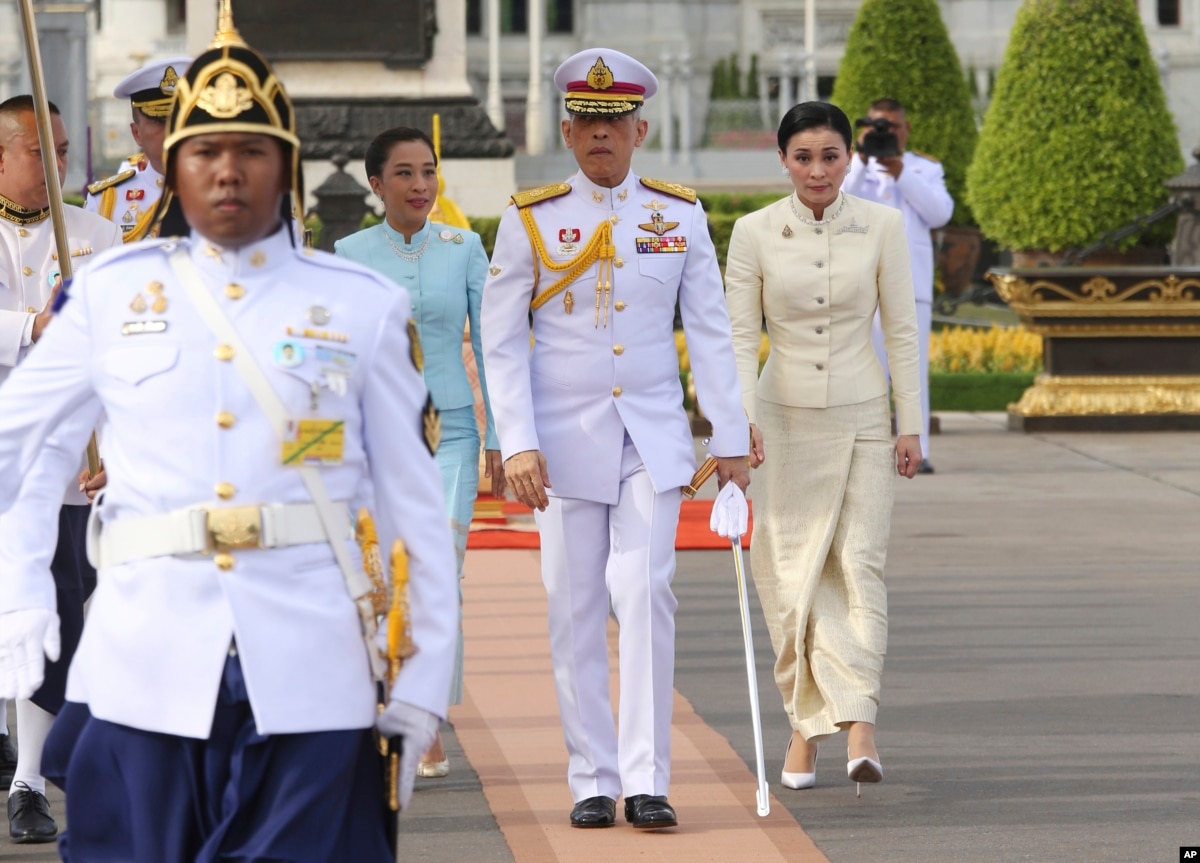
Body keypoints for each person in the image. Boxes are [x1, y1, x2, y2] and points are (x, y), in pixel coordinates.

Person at [0, 10, 458, 860]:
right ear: (173, 167)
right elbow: (19, 446)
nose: (227, 172)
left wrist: (427, 673)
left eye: (249, 150)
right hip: (147, 658)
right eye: (205, 153)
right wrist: (20, 587)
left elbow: (414, 508)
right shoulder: (111, 292)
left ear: (284, 165)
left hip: (312, 660)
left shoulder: (361, 305)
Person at [481, 48, 750, 830]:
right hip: (560, 442)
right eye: (587, 124)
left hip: (651, 435)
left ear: (640, 130)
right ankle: (591, 776)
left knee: (643, 588)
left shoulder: (680, 213)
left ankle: (647, 775)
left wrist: (727, 432)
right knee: (574, 607)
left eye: (615, 124)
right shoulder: (529, 218)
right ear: (567, 131)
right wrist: (518, 439)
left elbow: (709, 328)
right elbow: (502, 341)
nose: (602, 137)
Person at [723, 101, 922, 795]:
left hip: (865, 416)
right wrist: (737, 422)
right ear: (783, 160)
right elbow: (740, 339)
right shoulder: (751, 232)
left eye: (830, 156)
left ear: (848, 159)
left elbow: (902, 332)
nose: (817, 170)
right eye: (803, 157)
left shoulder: (884, 226)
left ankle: (860, 722)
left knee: (858, 565)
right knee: (787, 578)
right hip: (779, 423)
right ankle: (804, 727)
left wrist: (910, 424)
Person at [335, 125, 505, 778]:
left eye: (429, 171)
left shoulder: (463, 248)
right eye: (404, 173)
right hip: (378, 433)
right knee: (380, 569)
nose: (420, 185)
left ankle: (428, 713)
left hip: (453, 430)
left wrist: (497, 438)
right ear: (376, 185)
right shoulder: (349, 252)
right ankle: (384, 698)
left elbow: (489, 342)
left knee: (440, 566)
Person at [0, 94, 122, 843]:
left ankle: (28, 781)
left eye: (65, 152)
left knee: (54, 613)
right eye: (39, 151)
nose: (56, 166)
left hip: (66, 460)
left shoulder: (97, 237)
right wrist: (32, 325)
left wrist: (117, 447)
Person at [843, 98, 954, 473]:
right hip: (863, 286)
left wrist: (901, 172)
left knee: (912, 370)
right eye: (876, 126)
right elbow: (839, 202)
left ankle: (917, 450)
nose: (883, 133)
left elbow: (940, 213)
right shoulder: (854, 168)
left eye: (890, 126)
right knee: (867, 370)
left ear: (904, 129)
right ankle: (869, 450)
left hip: (911, 285)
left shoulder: (924, 169)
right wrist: (859, 155)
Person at [84, 56, 191, 242]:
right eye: (160, 121)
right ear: (137, 134)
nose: (174, 131)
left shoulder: (224, 190)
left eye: (182, 119)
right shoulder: (107, 201)